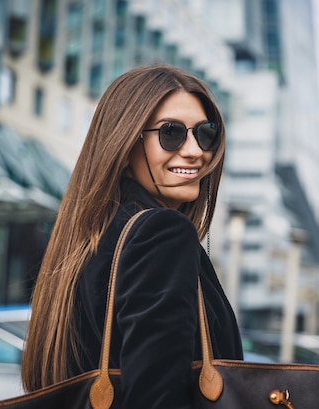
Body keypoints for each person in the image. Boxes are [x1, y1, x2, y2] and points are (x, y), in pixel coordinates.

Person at [21, 64, 244, 408]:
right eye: (171, 133)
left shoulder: (88, 240)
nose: (196, 151)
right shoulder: (161, 234)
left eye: (205, 133)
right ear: (125, 146)